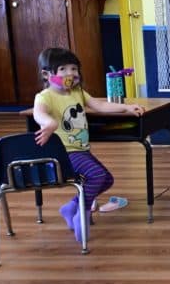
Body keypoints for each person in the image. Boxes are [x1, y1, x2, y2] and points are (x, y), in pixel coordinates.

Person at [32, 48, 143, 241]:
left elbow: (99, 105)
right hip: (64, 153)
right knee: (97, 175)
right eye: (63, 69)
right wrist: (48, 123)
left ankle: (71, 206)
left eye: (74, 68)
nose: (70, 74)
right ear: (47, 74)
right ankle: (81, 211)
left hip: (81, 150)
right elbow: (38, 113)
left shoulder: (77, 92)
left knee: (107, 180)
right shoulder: (45, 96)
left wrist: (125, 107)